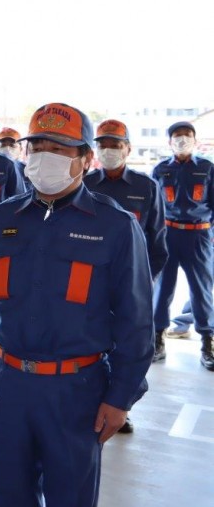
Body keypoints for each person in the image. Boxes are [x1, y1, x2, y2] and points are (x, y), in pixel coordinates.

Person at [0, 102, 153, 507]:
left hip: (77, 392)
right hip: (7, 385)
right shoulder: (0, 220)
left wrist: (120, 397)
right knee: (9, 503)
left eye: (61, 148)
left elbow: (136, 322)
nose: (45, 155)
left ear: (85, 159)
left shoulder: (116, 226)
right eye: (38, 146)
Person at [84, 118, 168, 433]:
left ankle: (122, 405)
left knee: (130, 347)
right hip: (91, 282)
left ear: (127, 149)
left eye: (115, 145)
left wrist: (145, 285)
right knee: (93, 346)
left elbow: (158, 244)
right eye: (102, 145)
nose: (108, 151)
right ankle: (93, 404)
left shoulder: (147, 187)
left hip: (131, 287)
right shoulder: (85, 183)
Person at [151, 121, 214, 369]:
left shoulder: (208, 168)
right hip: (167, 234)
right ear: (169, 142)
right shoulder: (160, 169)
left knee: (201, 290)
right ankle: (157, 338)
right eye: (177, 136)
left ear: (195, 140)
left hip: (199, 236)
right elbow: (152, 206)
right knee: (162, 289)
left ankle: (207, 341)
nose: (182, 140)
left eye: (187, 136)